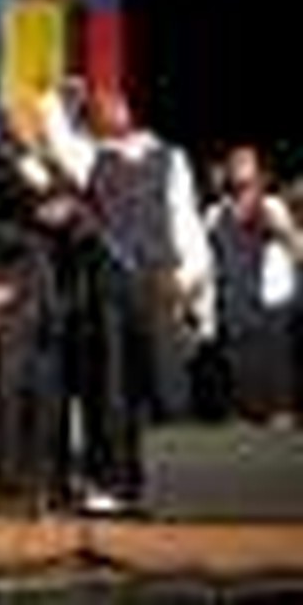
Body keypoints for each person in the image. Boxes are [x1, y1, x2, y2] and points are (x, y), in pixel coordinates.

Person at [37, 86, 214, 515]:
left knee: (166, 382)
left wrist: (190, 275)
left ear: (130, 109)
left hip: (160, 283)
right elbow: (55, 134)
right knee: (113, 387)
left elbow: (184, 216)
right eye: (99, 106)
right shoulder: (92, 158)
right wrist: (58, 96)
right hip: (111, 290)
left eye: (115, 101)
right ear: (92, 120)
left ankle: (177, 485)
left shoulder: (169, 157)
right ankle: (115, 484)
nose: (109, 108)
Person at [206, 145, 302, 425]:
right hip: (234, 303)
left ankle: (280, 413)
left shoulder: (273, 206)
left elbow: (298, 251)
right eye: (234, 161)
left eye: (245, 161)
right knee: (239, 366)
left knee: (276, 363)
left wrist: (281, 231)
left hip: (270, 300)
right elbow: (204, 261)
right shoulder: (216, 213)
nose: (239, 166)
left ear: (258, 172)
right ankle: (244, 416)